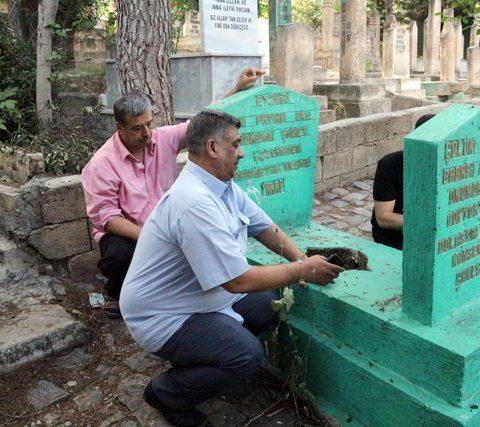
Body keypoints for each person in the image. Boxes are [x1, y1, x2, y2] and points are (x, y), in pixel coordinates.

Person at [119, 110, 343, 426]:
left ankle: (210, 363)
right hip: (162, 314)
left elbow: (263, 226)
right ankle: (167, 393)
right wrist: (301, 271)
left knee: (268, 306)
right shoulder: (194, 202)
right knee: (246, 355)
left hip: (196, 299)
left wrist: (297, 259)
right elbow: (237, 281)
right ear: (212, 147)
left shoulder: (220, 186)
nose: (242, 152)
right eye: (236, 145)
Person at [81, 67, 264, 318]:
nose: (146, 133)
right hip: (129, 231)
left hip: (167, 219)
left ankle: (175, 293)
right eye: (137, 128)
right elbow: (107, 218)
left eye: (149, 124)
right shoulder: (101, 164)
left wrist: (237, 88)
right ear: (119, 127)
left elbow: (205, 125)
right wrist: (150, 236)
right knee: (119, 255)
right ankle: (118, 293)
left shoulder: (163, 139)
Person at [371, 114, 436, 250]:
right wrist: (427, 225)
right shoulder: (390, 165)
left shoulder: (445, 164)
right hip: (395, 239)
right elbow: (383, 217)